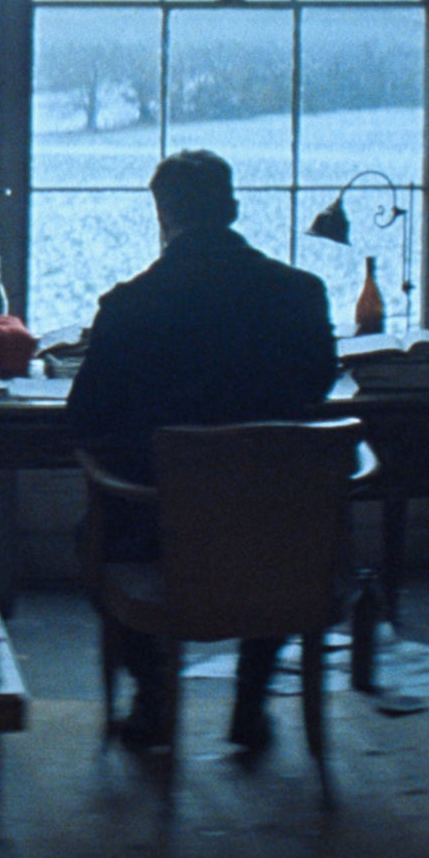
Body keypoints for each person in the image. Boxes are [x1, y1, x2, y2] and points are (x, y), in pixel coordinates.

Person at [64, 149, 338, 757]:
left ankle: (153, 691)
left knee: (92, 540)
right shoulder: (300, 293)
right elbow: (317, 383)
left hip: (162, 526)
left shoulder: (131, 305)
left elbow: (85, 418)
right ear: (233, 209)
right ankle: (251, 699)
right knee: (287, 541)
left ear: (163, 215)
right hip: (279, 527)